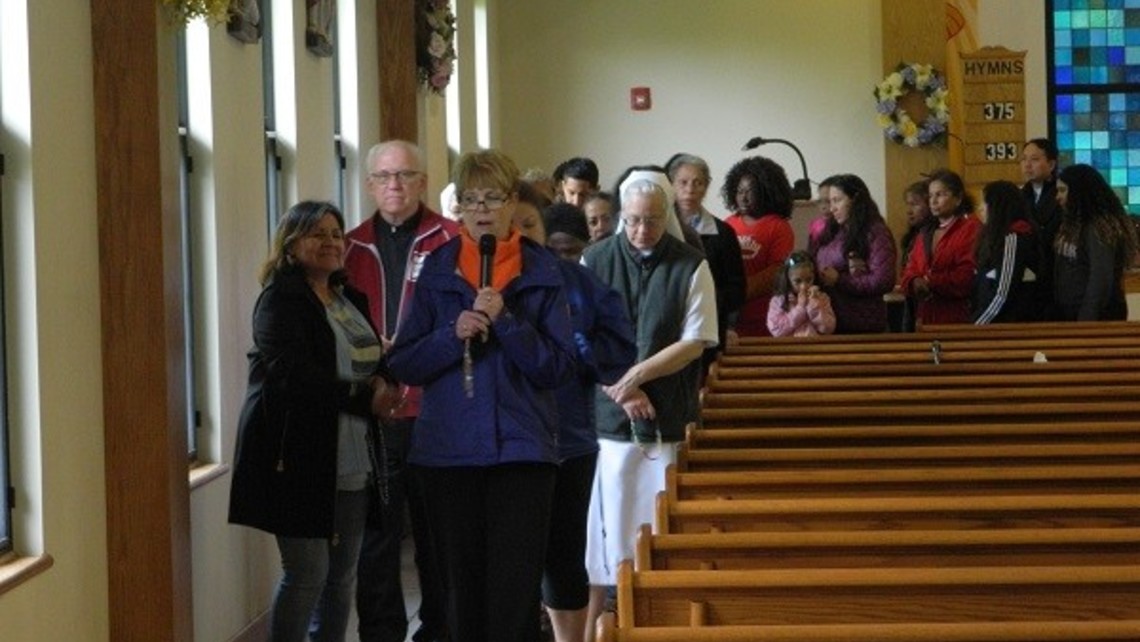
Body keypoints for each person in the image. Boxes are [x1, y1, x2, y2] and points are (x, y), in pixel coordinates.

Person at [385, 149, 576, 642]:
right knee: (457, 593)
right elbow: (404, 362)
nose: (482, 209)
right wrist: (454, 332)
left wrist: (507, 323)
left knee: (513, 595)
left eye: (494, 197)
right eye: (470, 199)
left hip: (522, 452)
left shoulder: (543, 272)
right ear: (458, 208)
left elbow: (557, 367)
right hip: (449, 454)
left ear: (513, 203)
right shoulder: (436, 271)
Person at [229, 200, 401, 642]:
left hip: (354, 454)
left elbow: (372, 357)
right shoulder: (279, 301)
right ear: (290, 245)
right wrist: (367, 397)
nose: (329, 242)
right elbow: (296, 378)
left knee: (342, 576)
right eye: (316, 234)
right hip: (298, 456)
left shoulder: (350, 298)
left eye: (335, 234)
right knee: (308, 573)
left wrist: (387, 381)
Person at [581, 172, 718, 638]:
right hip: (608, 420)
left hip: (668, 416)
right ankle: (618, 610)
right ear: (622, 217)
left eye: (653, 222)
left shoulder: (690, 264)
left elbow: (696, 339)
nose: (642, 231)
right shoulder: (595, 258)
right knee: (612, 519)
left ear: (667, 218)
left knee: (659, 517)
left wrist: (638, 376)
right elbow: (581, 335)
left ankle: (656, 611)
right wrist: (623, 389)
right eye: (634, 221)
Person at [344, 141, 457, 642]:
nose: (394, 185)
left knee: (437, 537)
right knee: (376, 537)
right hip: (374, 411)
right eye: (384, 176)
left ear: (423, 181)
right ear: (369, 184)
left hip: (437, 408)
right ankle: (382, 633)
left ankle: (438, 629)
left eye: (405, 175)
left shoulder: (451, 240)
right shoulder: (346, 247)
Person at [528, 203, 637, 642]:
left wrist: (572, 343)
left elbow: (615, 356)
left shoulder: (581, 284)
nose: (558, 259)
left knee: (565, 552)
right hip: (513, 437)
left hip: (569, 435)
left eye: (569, 251)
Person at [665, 153, 746, 369]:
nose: (689, 189)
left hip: (707, 331)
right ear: (671, 184)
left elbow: (737, 289)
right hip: (664, 333)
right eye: (683, 182)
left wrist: (706, 299)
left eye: (697, 182)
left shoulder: (723, 233)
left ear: (706, 187)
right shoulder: (659, 228)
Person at [1052, 163, 1139, 321]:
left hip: (1097, 317)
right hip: (1071, 314)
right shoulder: (1072, 224)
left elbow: (1101, 279)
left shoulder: (1098, 227)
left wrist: (1086, 321)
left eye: (1063, 190)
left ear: (1079, 192)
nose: (1057, 197)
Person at [811, 174, 897, 333]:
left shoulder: (875, 232)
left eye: (837, 200)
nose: (832, 208)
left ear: (855, 199)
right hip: (830, 321)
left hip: (862, 324)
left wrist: (839, 279)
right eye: (830, 202)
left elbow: (884, 280)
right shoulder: (832, 232)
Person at [721, 155, 796, 337]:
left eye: (750, 191)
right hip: (729, 320)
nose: (744, 198)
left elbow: (776, 273)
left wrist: (738, 292)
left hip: (764, 318)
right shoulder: (727, 224)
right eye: (740, 191)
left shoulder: (779, 226)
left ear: (766, 191)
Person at [899, 169, 982, 326]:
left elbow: (966, 276)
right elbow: (909, 270)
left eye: (940, 195)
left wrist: (930, 281)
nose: (933, 201)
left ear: (957, 199)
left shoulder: (971, 228)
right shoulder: (925, 232)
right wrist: (914, 281)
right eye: (930, 196)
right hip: (925, 317)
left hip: (958, 317)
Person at [971, 180, 1042, 324]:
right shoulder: (994, 237)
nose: (980, 208)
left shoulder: (1014, 238)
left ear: (998, 207)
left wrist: (977, 324)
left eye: (984, 203)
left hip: (1008, 323)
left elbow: (1003, 292)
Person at [1020, 138, 1063, 320]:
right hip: (1029, 280)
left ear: (1051, 164)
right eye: (1023, 159)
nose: (1027, 165)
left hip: (1056, 277)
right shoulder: (1020, 197)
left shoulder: (1062, 194)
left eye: (1035, 159)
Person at [767, 251, 836, 337]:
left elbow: (828, 328)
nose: (804, 286)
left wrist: (813, 304)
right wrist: (800, 308)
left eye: (809, 279)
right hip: (789, 348)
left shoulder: (822, 298)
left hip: (816, 347)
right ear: (788, 280)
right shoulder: (778, 301)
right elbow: (777, 330)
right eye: (798, 281)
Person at [897, 179, 933, 332]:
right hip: (911, 301)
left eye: (915, 204)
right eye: (908, 204)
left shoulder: (933, 235)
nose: (909, 210)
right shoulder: (914, 236)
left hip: (929, 303)